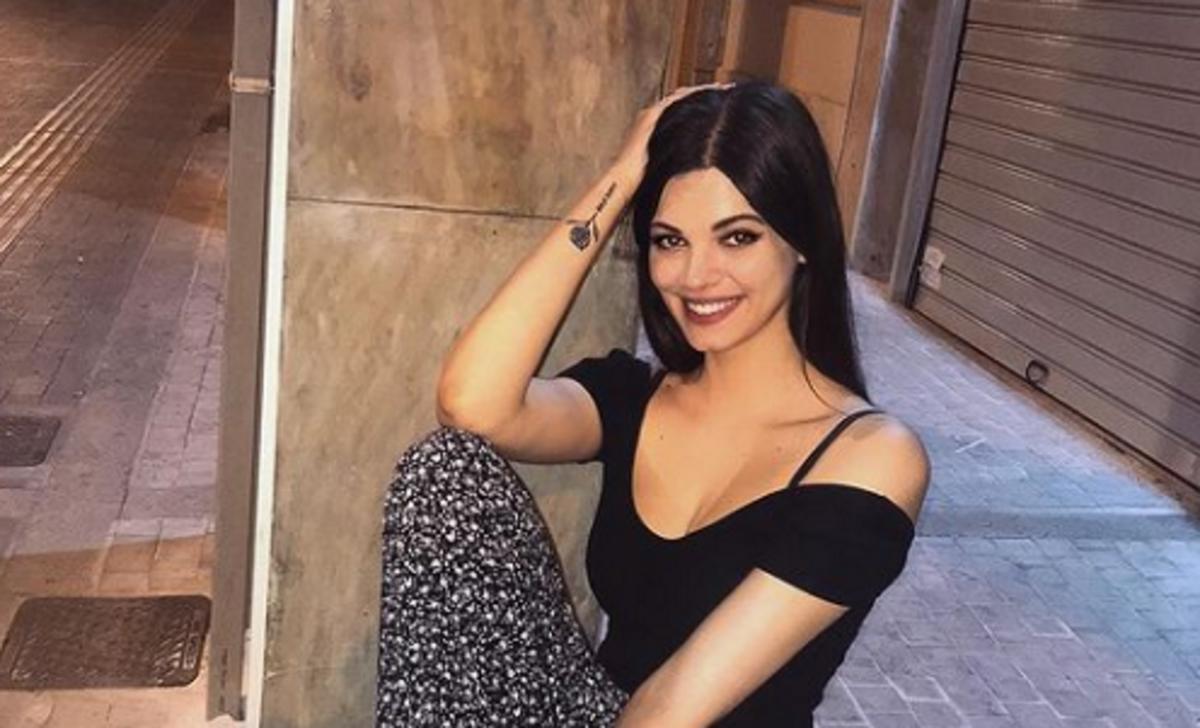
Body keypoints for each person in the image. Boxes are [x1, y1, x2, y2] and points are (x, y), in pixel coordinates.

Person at [376, 80, 931, 727]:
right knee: (443, 471)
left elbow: (668, 711)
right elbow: (472, 404)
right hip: (600, 712)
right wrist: (621, 177)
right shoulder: (632, 398)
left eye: (737, 238)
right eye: (670, 240)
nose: (695, 276)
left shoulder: (871, 457)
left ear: (800, 238)